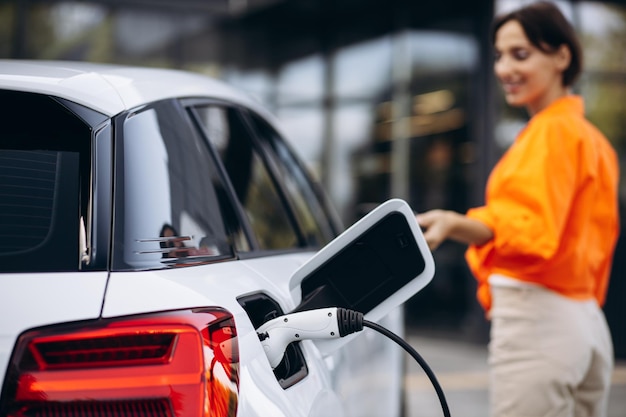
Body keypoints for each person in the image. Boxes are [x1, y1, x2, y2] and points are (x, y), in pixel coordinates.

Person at [416, 2, 620, 416]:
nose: (505, 68)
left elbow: (528, 226)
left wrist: (455, 223)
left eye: (521, 54)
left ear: (562, 56)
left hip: (539, 321)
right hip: (586, 323)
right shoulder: (592, 140)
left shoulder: (550, 133)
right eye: (499, 56)